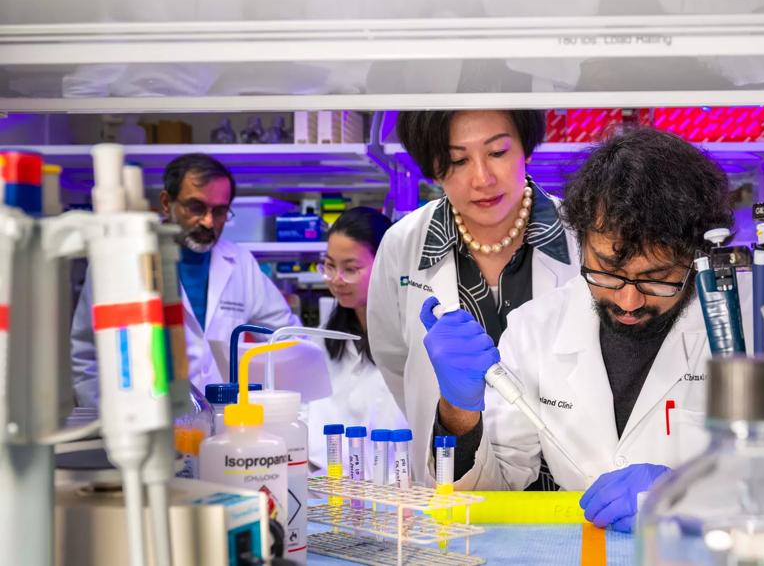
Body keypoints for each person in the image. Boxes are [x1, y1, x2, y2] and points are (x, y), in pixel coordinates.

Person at [419, 127, 754, 532]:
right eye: (608, 272)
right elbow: (496, 487)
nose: (628, 302)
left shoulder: (757, 323)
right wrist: (458, 411)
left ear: (700, 256)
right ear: (582, 240)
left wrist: (690, 494)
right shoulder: (535, 329)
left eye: (657, 278)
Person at [367, 110, 580, 483]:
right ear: (434, 168)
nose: (482, 178)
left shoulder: (582, 237)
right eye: (458, 160)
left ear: (525, 150)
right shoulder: (402, 245)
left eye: (497, 152)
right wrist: (453, 412)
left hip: (569, 491)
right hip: (455, 481)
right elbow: (394, 362)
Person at [71, 153, 300, 407]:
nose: (208, 222)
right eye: (196, 207)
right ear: (167, 203)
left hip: (225, 424)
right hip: (147, 420)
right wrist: (106, 418)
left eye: (220, 211)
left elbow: (287, 339)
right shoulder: (119, 260)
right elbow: (86, 353)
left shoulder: (240, 264)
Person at [305, 206, 407, 467]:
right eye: (329, 266)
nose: (336, 280)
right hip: (331, 486)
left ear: (387, 264)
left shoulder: (410, 339)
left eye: (350, 269)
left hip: (400, 486)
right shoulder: (325, 341)